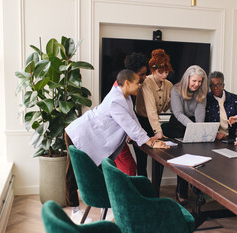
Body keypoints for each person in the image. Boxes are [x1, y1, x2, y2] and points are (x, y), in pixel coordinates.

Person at [65, 69, 169, 221]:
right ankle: (75, 211)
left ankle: (106, 208)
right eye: (137, 83)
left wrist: (149, 139)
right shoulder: (116, 100)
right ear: (126, 83)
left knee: (101, 173)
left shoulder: (126, 98)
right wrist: (149, 142)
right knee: (74, 174)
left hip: (93, 138)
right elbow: (129, 125)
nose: (139, 85)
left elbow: (134, 121)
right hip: (78, 134)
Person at [168, 65, 208, 205]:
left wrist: (198, 130)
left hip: (194, 124)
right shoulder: (175, 90)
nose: (197, 84)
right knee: (184, 157)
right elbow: (178, 113)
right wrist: (193, 128)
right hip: (178, 125)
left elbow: (200, 112)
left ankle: (197, 190)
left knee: (199, 154)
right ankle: (181, 191)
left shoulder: (201, 91)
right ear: (187, 79)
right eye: (194, 81)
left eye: (200, 81)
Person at [134, 49, 173, 177]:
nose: (164, 75)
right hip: (141, 121)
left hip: (155, 122)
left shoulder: (169, 84)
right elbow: (151, 110)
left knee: (160, 157)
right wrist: (158, 131)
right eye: (161, 72)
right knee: (142, 159)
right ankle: (143, 190)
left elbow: (167, 106)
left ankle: (155, 191)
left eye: (166, 72)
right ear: (153, 70)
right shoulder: (146, 83)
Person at [113, 52, 148, 176]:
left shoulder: (127, 93)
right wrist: (149, 141)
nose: (145, 77)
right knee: (129, 167)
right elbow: (125, 119)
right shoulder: (117, 97)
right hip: (110, 136)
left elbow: (131, 116)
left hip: (116, 136)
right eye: (141, 75)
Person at [205, 71, 237, 140]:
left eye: (218, 85)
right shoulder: (206, 100)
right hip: (214, 139)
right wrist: (216, 133)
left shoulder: (234, 99)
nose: (215, 88)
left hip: (234, 138)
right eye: (212, 85)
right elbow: (203, 122)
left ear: (223, 85)